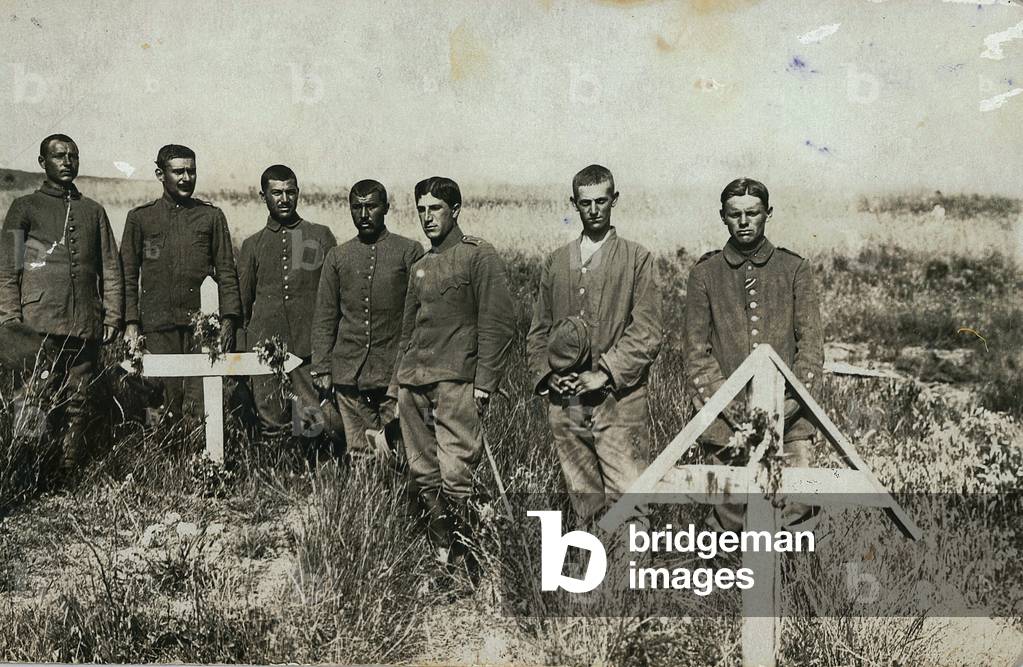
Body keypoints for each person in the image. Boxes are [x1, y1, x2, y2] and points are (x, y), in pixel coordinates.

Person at [389, 176, 516, 578]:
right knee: (423, 471)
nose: (427, 218)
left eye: (435, 209)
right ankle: (441, 550)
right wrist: (397, 389)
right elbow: (408, 331)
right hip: (414, 383)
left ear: (455, 210)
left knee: (455, 471)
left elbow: (498, 322)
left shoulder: (478, 256)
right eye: (421, 210)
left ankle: (467, 559)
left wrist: (485, 382)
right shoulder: (420, 266)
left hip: (457, 381)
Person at [526, 164, 663, 526]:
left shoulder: (637, 259)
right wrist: (548, 377)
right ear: (575, 203)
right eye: (586, 203)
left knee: (629, 500)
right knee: (584, 499)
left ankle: (631, 581)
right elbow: (538, 330)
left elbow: (647, 332)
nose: (594, 210)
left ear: (614, 200)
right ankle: (597, 578)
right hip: (566, 402)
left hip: (619, 401)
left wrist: (603, 374)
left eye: (602, 201)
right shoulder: (556, 262)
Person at [684, 177, 824, 531]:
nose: (744, 221)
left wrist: (786, 409)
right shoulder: (705, 274)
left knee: (798, 506)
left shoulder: (794, 269)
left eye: (752, 213)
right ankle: (724, 584)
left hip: (790, 420)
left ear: (768, 214)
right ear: (723, 217)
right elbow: (697, 356)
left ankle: (796, 585)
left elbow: (810, 349)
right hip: (725, 422)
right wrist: (736, 414)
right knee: (729, 516)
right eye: (735, 214)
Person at [0, 134, 124, 477]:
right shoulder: (24, 208)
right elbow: (8, 267)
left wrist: (112, 314)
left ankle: (68, 470)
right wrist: (11, 319)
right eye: (58, 156)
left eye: (73, 156)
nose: (67, 162)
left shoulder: (94, 211)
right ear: (43, 163)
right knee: (34, 397)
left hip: (84, 322)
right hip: (36, 323)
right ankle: (28, 470)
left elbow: (110, 267)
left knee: (78, 400)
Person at [120, 144, 241, 422]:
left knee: (200, 403)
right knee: (160, 399)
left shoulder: (211, 217)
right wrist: (131, 322)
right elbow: (128, 274)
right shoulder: (140, 219)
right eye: (178, 172)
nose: (187, 178)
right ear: (160, 174)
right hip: (158, 324)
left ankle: (199, 459)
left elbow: (226, 271)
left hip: (202, 328)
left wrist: (229, 319)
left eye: (192, 171)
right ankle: (161, 461)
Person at [311, 179, 424, 460]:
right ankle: (364, 504)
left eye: (371, 207)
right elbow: (325, 315)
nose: (363, 215)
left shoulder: (409, 251)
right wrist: (323, 368)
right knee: (360, 454)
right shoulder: (338, 257)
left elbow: (420, 317)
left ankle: (394, 503)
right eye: (356, 207)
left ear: (386, 208)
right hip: (349, 375)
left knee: (398, 453)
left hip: (393, 377)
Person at [238, 164, 344, 443]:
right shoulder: (253, 245)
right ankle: (277, 474)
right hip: (265, 349)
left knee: (311, 424)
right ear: (263, 196)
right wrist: (241, 355)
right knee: (271, 422)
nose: (284, 199)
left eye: (290, 192)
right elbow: (241, 304)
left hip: (308, 348)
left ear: (298, 194)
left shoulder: (320, 236)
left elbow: (335, 298)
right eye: (276, 193)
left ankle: (311, 480)